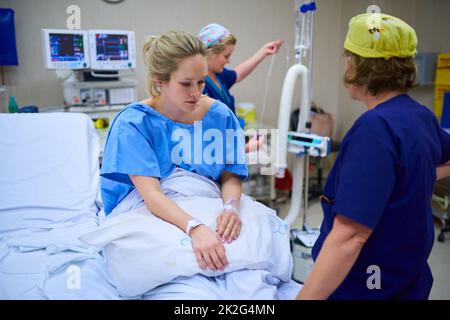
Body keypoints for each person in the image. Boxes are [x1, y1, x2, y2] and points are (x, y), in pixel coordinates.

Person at [297, 13, 450, 300]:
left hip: (367, 287)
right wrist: (414, 180)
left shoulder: (374, 130)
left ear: (358, 66)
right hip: (409, 282)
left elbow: (349, 238)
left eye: (348, 57)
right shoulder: (420, 116)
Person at [100, 30, 248, 273]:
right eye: (185, 84)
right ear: (160, 80)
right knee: (157, 265)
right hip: (150, 207)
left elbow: (230, 174)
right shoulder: (134, 123)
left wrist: (231, 206)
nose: (196, 92)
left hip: (207, 201)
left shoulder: (220, 115)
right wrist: (194, 227)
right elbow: (151, 194)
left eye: (201, 82)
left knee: (243, 257)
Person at [198, 23, 284, 152]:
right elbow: (210, 144)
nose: (229, 61)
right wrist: (248, 148)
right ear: (210, 53)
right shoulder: (200, 87)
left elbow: (237, 74)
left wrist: (263, 52)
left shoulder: (219, 75)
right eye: (226, 56)